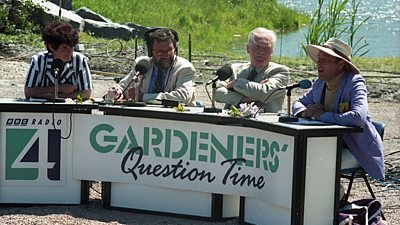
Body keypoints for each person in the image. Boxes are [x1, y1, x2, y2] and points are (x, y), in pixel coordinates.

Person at [292, 38, 384, 180]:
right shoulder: (319, 83)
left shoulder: (355, 82)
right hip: (327, 146)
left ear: (340, 64)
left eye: (325, 60)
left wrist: (322, 116)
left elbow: (357, 118)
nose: (319, 64)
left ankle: (336, 199)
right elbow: (298, 102)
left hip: (355, 149)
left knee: (312, 162)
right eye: (318, 59)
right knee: (298, 157)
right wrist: (304, 112)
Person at [109, 28, 197, 106]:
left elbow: (183, 98)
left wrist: (143, 97)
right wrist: (118, 92)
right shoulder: (143, 64)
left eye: (169, 50)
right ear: (151, 52)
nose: (166, 55)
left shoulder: (185, 68)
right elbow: (124, 86)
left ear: (175, 49)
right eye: (160, 51)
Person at [214, 27, 289, 113]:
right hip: (232, 120)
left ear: (272, 51)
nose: (261, 52)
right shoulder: (234, 69)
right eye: (257, 47)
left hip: (264, 122)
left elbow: (263, 93)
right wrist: (241, 99)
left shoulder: (280, 71)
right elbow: (216, 91)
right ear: (247, 48)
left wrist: (236, 83)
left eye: (266, 48)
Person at [24, 21, 93, 100]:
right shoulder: (38, 60)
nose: (69, 52)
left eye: (71, 47)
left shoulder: (79, 60)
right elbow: (28, 92)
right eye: (64, 48)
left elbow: (86, 94)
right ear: (52, 47)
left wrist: (54, 96)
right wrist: (59, 88)